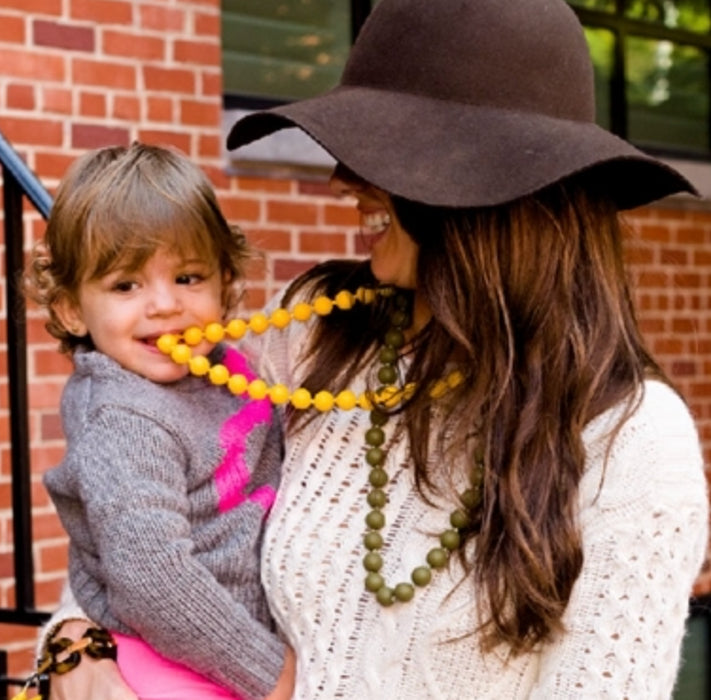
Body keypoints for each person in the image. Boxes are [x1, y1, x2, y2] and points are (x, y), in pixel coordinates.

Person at [40, 0, 708, 698]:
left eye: (390, 152)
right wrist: (77, 645)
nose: (343, 181)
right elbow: (136, 515)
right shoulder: (315, 333)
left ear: (489, 194)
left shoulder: (628, 440)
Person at [25, 142, 295, 700]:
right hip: (167, 662)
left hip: (216, 650)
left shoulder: (225, 366)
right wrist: (270, 673)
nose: (164, 305)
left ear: (225, 282)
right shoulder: (125, 418)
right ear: (73, 308)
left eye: (189, 278)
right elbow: (152, 576)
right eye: (126, 285)